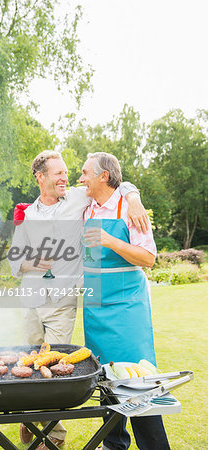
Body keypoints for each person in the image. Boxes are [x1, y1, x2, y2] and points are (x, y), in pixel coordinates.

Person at [9, 150, 148, 449]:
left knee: (57, 368)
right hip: (31, 300)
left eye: (66, 172)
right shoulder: (26, 214)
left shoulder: (77, 198)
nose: (66, 177)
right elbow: (13, 261)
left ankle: (53, 437)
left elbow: (113, 184)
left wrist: (134, 195)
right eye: (58, 173)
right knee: (30, 363)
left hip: (62, 302)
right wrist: (35, 262)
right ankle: (28, 414)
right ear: (40, 177)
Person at [79, 152, 170, 450]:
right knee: (105, 380)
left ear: (103, 176)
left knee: (138, 383)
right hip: (95, 309)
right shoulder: (86, 207)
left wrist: (110, 239)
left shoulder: (129, 209)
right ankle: (114, 445)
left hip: (127, 308)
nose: (81, 179)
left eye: (85, 173)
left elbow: (148, 258)